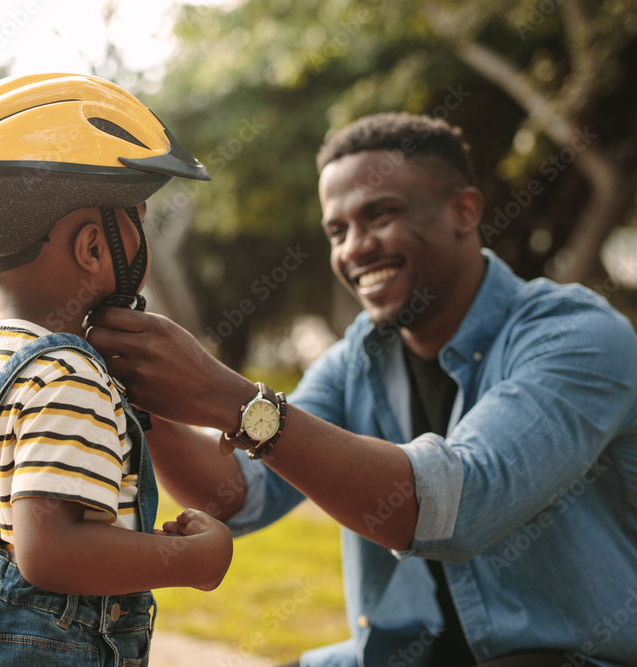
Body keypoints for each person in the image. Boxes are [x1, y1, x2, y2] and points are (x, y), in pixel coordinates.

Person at [85, 112, 637, 667]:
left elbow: (461, 506)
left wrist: (231, 399)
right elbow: (235, 494)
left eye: (381, 215)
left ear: (464, 211)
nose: (355, 248)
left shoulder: (578, 337)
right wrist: (134, 390)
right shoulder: (359, 357)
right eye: (337, 231)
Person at [0, 73, 233, 666]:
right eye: (137, 217)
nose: (143, 231)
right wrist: (198, 561)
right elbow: (51, 553)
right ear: (94, 249)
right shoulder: (68, 374)